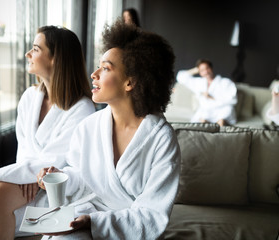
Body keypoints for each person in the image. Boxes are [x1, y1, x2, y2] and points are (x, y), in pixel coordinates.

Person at [37, 19, 180, 240]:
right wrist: (62, 176)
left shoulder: (161, 139)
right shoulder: (89, 127)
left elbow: (152, 214)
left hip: (129, 229)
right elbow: (84, 178)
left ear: (129, 82)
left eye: (105, 68)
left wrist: (95, 223)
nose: (94, 74)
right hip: (85, 215)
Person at [0, 26, 95, 240]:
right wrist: (22, 177)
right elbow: (25, 151)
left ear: (56, 59)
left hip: (54, 193)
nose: (28, 53)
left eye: (36, 49)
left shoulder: (81, 109)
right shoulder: (30, 97)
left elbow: (55, 161)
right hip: (23, 185)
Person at [176, 59, 238, 126]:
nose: (206, 72)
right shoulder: (199, 83)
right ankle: (207, 125)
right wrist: (195, 70)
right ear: (199, 72)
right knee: (202, 118)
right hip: (207, 110)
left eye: (207, 68)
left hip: (222, 109)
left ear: (211, 68)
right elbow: (180, 77)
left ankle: (220, 125)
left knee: (226, 113)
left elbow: (233, 99)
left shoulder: (225, 82)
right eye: (202, 70)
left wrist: (212, 98)